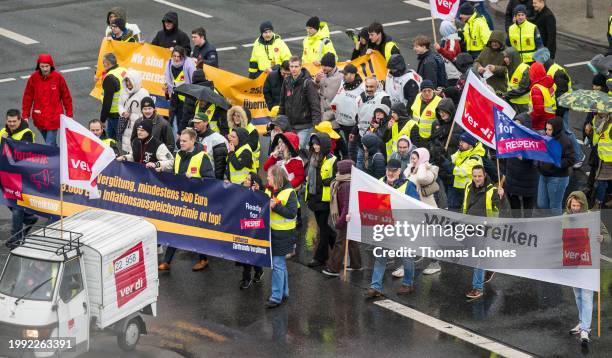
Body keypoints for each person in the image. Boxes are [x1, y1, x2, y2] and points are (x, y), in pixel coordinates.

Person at [159, 128, 214, 272]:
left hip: (196, 201)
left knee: (197, 232)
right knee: (176, 228)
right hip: (180, 199)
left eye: (184, 141)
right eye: (180, 140)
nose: (181, 143)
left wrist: (194, 178)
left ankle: (204, 259)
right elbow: (175, 173)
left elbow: (211, 180)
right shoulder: (178, 155)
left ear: (193, 141)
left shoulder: (202, 157)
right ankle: (167, 261)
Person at [366, 159, 415, 298]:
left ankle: (408, 283)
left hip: (402, 227)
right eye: (389, 170)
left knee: (406, 257)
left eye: (394, 171)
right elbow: (371, 201)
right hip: (384, 226)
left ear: (399, 171)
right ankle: (375, 286)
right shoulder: (380, 182)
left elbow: (415, 206)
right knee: (380, 256)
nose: (391, 173)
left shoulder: (408, 185)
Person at [565, 191, 608, 346]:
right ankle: (582, 322)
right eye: (573, 205)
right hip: (572, 263)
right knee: (578, 296)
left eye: (577, 205)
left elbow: (607, 237)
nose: (575, 208)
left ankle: (585, 328)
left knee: (587, 297)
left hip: (589, 264)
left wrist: (602, 238)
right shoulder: (564, 217)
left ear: (583, 205)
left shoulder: (592, 217)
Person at [393, 148, 441, 277]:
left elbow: (421, 178)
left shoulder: (430, 170)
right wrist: (410, 167)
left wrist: (421, 166)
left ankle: (435, 263)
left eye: (415, 158)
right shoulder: (410, 169)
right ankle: (408, 264)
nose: (412, 160)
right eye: (412, 158)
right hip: (412, 209)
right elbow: (403, 179)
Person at [533, 48, 582, 165]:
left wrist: (557, 114)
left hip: (561, 108)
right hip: (557, 108)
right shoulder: (550, 69)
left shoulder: (556, 72)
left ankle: (579, 156)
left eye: (536, 61)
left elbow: (561, 95)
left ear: (542, 61)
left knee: (566, 131)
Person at [464, 165, 507, 299]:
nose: (477, 179)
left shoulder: (493, 191)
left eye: (479, 176)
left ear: (484, 175)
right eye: (475, 176)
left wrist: (502, 197)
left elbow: (501, 210)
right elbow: (465, 204)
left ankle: (477, 288)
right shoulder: (468, 187)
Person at [265, 165, 298, 308]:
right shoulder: (272, 189)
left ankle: (276, 297)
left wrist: (275, 207)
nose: (267, 178)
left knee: (277, 265)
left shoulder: (289, 192)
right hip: (275, 232)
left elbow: (292, 213)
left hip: (283, 234)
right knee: (280, 265)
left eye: (269, 176)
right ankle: (284, 292)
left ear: (276, 177)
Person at [22, 53, 73, 146]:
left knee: (49, 144)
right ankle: (57, 155)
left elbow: (66, 97)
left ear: (51, 65)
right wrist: (25, 115)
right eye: (42, 66)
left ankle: (53, 157)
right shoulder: (33, 78)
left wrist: (69, 115)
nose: (45, 69)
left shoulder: (58, 78)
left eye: (47, 66)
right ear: (39, 66)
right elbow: (27, 97)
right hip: (39, 119)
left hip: (54, 118)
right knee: (51, 144)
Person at [1, 110, 38, 238]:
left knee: (17, 206)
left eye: (14, 121)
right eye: (9, 121)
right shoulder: (2, 132)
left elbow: (21, 153)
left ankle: (15, 238)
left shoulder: (27, 133)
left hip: (20, 176)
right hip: (5, 173)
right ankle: (29, 218)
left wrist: (7, 140)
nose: (11, 124)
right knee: (8, 201)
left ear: (19, 120)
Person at [322, 159, 362, 276]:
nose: (337, 171)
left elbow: (346, 206)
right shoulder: (348, 181)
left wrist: (340, 222)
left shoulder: (345, 185)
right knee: (352, 240)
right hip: (352, 217)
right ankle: (356, 264)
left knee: (340, 242)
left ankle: (334, 268)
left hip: (347, 219)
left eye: (339, 169)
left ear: (344, 171)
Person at [305, 133, 338, 267]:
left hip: (324, 200)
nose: (315, 146)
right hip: (314, 196)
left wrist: (326, 181)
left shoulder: (332, 159)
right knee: (322, 226)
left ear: (323, 144)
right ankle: (336, 241)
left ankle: (320, 258)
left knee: (323, 228)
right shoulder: (313, 156)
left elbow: (337, 178)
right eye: (313, 144)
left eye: (317, 144)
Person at [278, 56, 321, 149]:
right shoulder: (286, 81)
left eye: (296, 66)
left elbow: (315, 106)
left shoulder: (308, 83)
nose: (293, 69)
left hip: (305, 127)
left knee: (298, 149)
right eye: (291, 66)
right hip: (289, 126)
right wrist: (278, 122)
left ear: (301, 67)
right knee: (288, 150)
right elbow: (282, 104)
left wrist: (316, 127)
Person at [537, 117, 575, 215]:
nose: (547, 132)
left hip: (557, 178)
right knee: (541, 204)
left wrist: (556, 163)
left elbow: (571, 160)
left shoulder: (565, 141)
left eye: (550, 129)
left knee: (554, 206)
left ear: (556, 129)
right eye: (546, 129)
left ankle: (556, 226)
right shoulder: (546, 138)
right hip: (544, 175)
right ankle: (549, 222)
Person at [238, 172, 266, 289]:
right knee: (248, 252)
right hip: (241, 225)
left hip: (252, 227)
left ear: (254, 183)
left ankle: (246, 278)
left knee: (247, 252)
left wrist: (258, 193)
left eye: (248, 179)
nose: (245, 180)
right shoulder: (240, 189)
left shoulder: (259, 194)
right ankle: (259, 270)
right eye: (245, 178)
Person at [448, 133, 485, 210]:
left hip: (467, 191)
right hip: (455, 188)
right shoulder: (460, 152)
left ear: (470, 144)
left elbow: (461, 171)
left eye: (463, 142)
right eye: (460, 141)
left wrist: (446, 164)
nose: (460, 143)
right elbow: (451, 159)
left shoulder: (475, 158)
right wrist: (443, 155)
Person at [164, 46, 196, 136]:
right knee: (172, 117)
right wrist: (167, 87)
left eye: (179, 56)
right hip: (175, 95)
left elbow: (193, 81)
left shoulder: (189, 65)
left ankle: (180, 138)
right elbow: (167, 77)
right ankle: (173, 140)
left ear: (182, 56)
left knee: (182, 119)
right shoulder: (169, 63)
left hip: (186, 96)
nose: (176, 59)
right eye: (174, 56)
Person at [331, 64, 364, 144]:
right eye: (343, 74)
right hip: (339, 122)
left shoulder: (362, 88)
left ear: (353, 75)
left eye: (346, 74)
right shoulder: (343, 82)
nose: (343, 76)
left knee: (352, 149)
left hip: (352, 126)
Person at [118, 70, 149, 154]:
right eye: (127, 81)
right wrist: (123, 112)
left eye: (130, 81)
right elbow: (120, 105)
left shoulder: (144, 93)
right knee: (126, 150)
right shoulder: (123, 91)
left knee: (136, 151)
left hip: (138, 126)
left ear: (136, 81)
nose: (128, 83)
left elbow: (147, 111)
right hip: (126, 125)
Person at [192, 111, 228, 180]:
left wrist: (217, 182)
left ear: (206, 123)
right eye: (194, 122)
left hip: (210, 178)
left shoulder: (217, 139)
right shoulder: (193, 135)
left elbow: (220, 165)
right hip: (194, 176)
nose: (195, 125)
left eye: (198, 122)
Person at [99, 53, 126, 141]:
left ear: (107, 63)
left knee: (115, 140)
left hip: (114, 114)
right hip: (124, 110)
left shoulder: (110, 78)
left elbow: (107, 102)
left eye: (103, 62)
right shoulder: (123, 71)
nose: (103, 64)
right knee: (114, 139)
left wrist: (102, 120)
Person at [473, 30, 508, 94]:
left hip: (499, 88)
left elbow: (509, 70)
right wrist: (479, 67)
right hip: (485, 85)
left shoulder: (506, 53)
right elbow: (476, 61)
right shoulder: (486, 50)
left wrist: (496, 69)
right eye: (493, 42)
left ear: (501, 42)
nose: (494, 44)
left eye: (497, 42)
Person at [181, 67, 213, 132]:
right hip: (212, 133)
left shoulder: (192, 93)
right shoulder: (213, 91)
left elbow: (186, 115)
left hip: (197, 130)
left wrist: (180, 131)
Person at [528, 62, 556, 132]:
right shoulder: (549, 82)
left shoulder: (536, 89)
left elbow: (538, 112)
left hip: (539, 124)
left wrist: (528, 119)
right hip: (550, 120)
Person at [315, 53, 343, 122]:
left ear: (332, 66)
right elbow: (315, 89)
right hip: (320, 114)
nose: (323, 68)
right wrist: (317, 80)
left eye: (326, 66)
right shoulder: (321, 74)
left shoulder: (341, 77)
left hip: (333, 116)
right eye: (322, 65)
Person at [592, 112, 612, 209]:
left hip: (609, 159)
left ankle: (598, 203)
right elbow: (596, 134)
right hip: (602, 157)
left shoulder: (610, 122)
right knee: (605, 181)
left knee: (601, 181)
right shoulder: (597, 118)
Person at [503, 47, 531, 113]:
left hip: (523, 104)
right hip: (512, 102)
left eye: (507, 57)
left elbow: (523, 88)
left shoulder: (525, 69)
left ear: (513, 57)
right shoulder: (508, 68)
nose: (505, 59)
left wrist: (506, 95)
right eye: (504, 57)